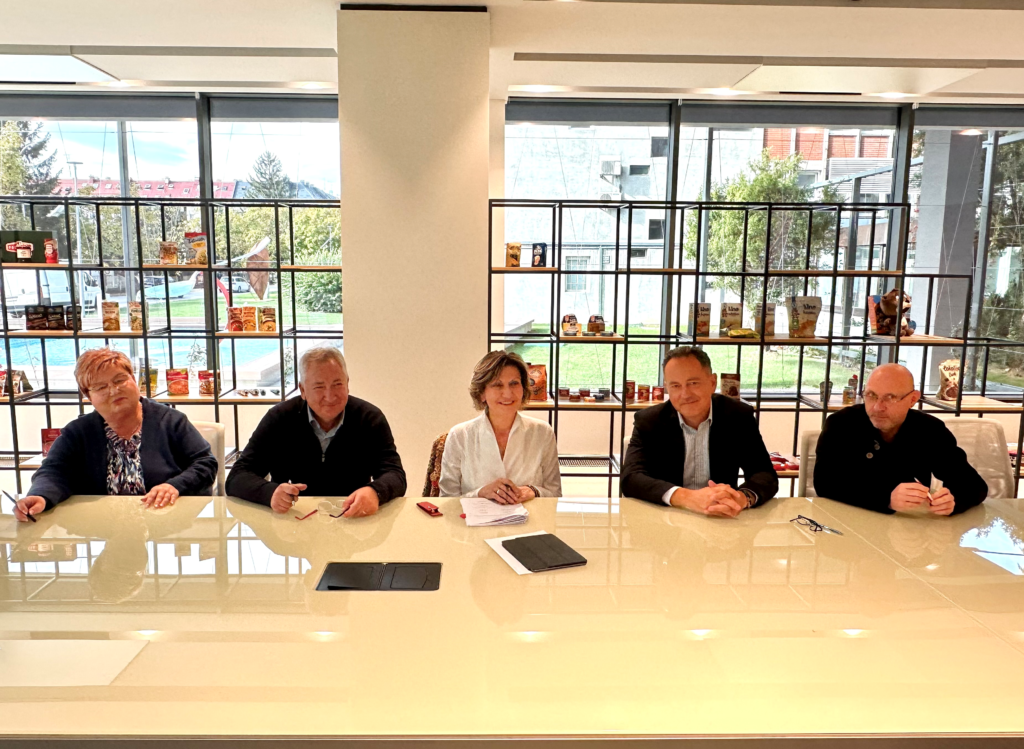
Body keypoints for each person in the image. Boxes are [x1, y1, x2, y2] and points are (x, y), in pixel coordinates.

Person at [14, 348, 218, 522]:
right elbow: (54, 471)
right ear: (88, 396)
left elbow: (205, 463)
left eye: (120, 380)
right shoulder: (78, 432)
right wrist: (41, 495)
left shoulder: (170, 421)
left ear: (134, 380)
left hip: (166, 524)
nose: (113, 390)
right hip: (100, 525)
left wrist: (174, 486)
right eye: (101, 387)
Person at [226, 347, 406, 517]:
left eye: (337, 384)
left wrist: (375, 492)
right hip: (294, 520)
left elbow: (395, 474)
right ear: (303, 390)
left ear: (347, 384)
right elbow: (237, 476)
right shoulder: (280, 418)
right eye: (319, 387)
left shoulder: (369, 418)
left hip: (352, 518)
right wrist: (270, 493)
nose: (330, 396)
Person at [620, 346, 778, 517]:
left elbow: (764, 473)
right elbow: (631, 478)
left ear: (712, 383)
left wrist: (742, 497)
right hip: (666, 517)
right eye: (675, 386)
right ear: (667, 388)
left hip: (721, 516)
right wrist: (687, 497)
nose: (685, 394)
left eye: (693, 383)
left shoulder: (738, 416)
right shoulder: (649, 420)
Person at [814, 363, 988, 515]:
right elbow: (825, 483)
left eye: (890, 398)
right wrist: (886, 499)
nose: (878, 407)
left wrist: (953, 501)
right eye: (871, 395)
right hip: (848, 521)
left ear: (912, 399)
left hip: (908, 530)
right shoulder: (842, 424)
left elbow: (974, 486)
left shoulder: (929, 429)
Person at [439, 351, 561, 501]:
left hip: (531, 516)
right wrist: (480, 493)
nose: (508, 394)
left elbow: (555, 494)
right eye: (497, 385)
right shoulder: (459, 436)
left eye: (514, 383)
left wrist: (534, 491)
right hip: (473, 517)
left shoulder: (543, 432)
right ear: (482, 393)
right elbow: (446, 499)